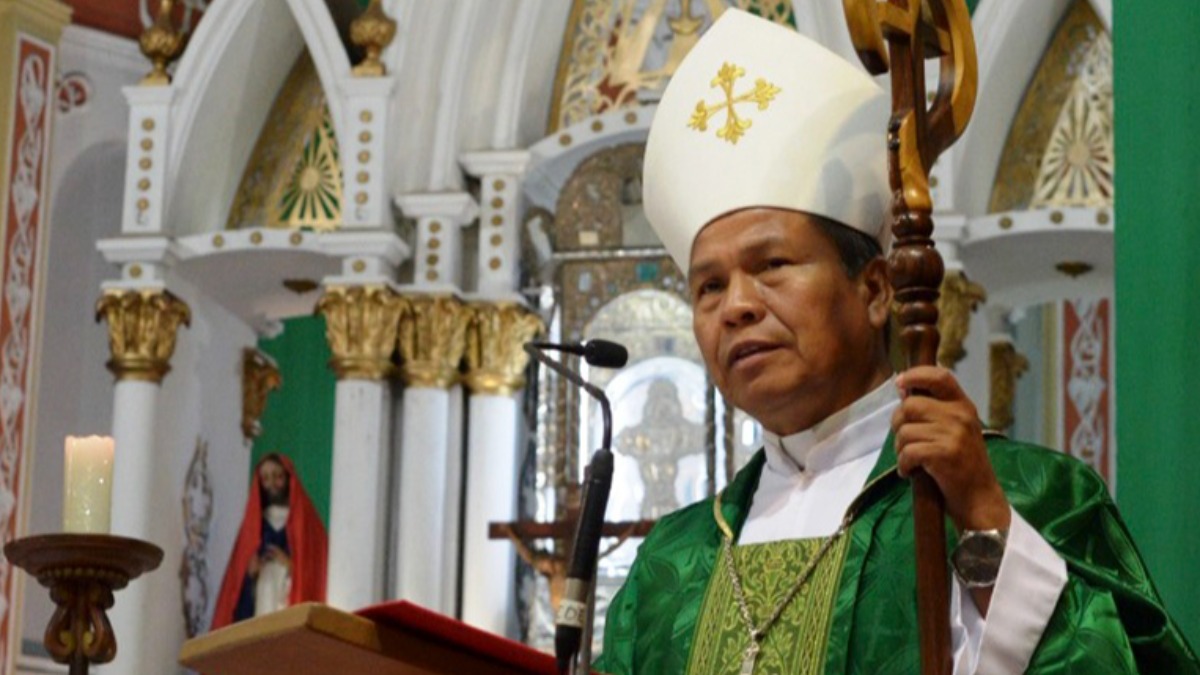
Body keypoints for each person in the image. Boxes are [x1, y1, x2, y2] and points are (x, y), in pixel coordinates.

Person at [594, 9, 1199, 674]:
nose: (736, 305)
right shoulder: (670, 567)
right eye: (708, 287)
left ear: (877, 288)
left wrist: (983, 518)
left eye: (771, 266)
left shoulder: (1027, 492)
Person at [211, 453, 328, 629]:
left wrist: (291, 566)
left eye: (278, 476)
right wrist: (250, 573)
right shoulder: (254, 526)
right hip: (261, 604)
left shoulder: (306, 522)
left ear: (289, 478)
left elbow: (317, 572)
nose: (272, 484)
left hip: (288, 604)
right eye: (265, 478)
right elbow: (235, 589)